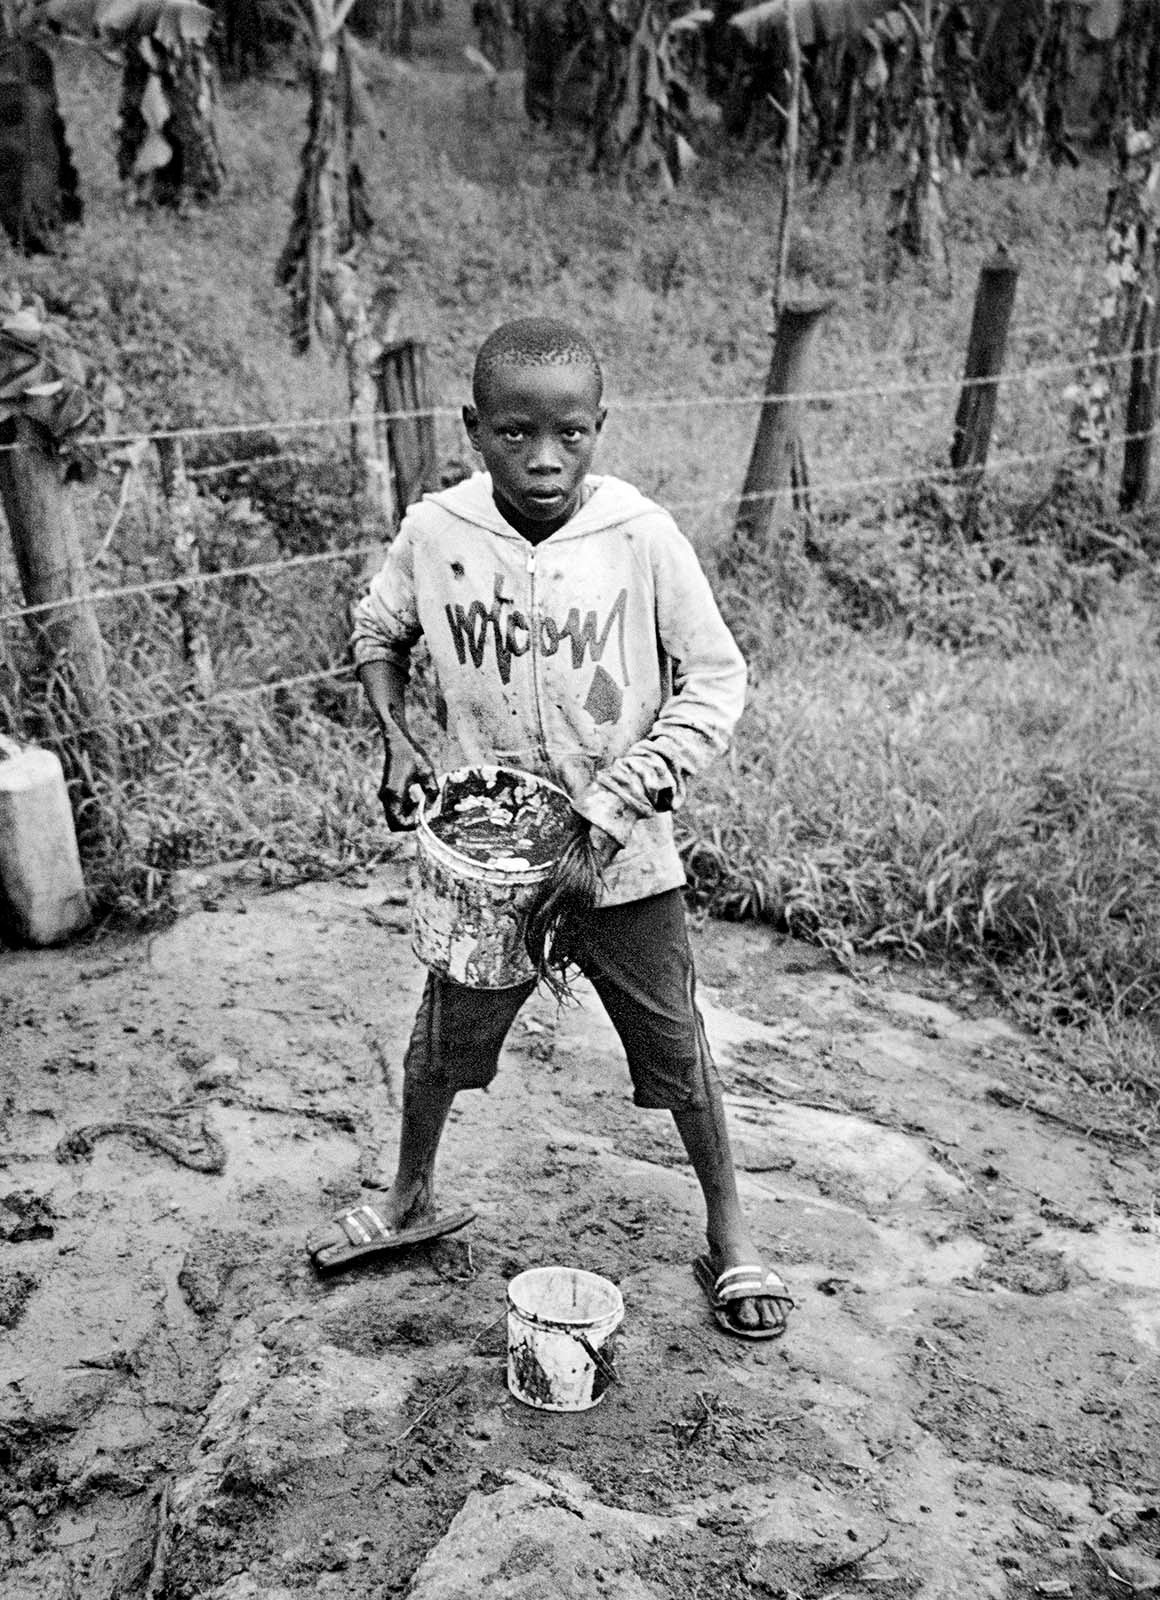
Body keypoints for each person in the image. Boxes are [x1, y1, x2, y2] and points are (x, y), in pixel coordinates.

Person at [307, 316, 791, 1340]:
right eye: (517, 434)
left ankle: (731, 1233)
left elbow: (716, 679)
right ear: (474, 429)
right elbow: (377, 626)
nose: (543, 459)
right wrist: (397, 737)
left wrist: (618, 802)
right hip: (490, 857)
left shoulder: (638, 537)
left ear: (600, 429)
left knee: (675, 1047)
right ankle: (410, 1197)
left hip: (622, 858)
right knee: (443, 1039)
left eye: (569, 434)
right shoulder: (438, 532)